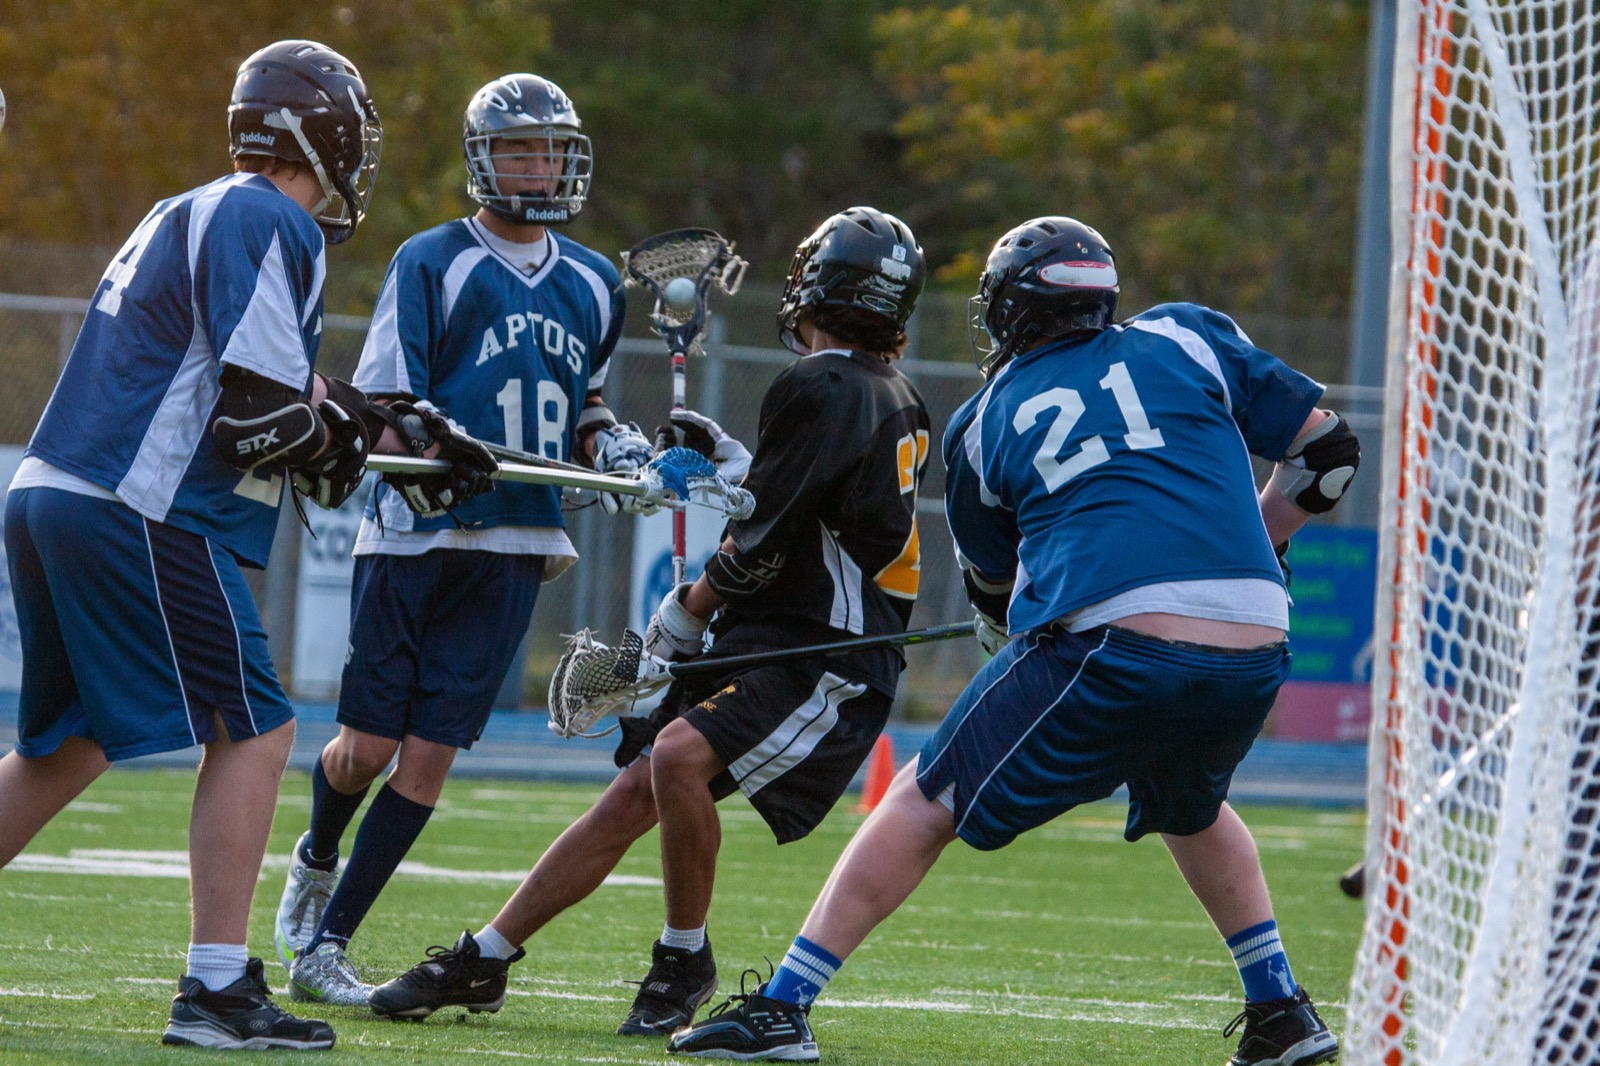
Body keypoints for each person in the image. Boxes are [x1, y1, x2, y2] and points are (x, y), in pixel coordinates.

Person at [666, 216, 1359, 1065]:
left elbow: (996, 597)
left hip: (1117, 646)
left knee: (924, 796)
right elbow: (1329, 454)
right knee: (1190, 801)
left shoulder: (985, 419)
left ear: (1009, 313)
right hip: (1256, 644)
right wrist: (1253, 543)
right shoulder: (1187, 333)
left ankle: (783, 1005)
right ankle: (1281, 1011)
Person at [0, 40, 491, 1051]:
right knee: (258, 729)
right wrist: (347, 449)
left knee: (64, 746)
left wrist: (385, 423)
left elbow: (271, 388)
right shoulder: (274, 217)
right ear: (326, 129)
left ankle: (216, 986)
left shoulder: (191, 208)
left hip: (61, 490)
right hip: (139, 504)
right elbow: (260, 420)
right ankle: (217, 987)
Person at [366, 205, 933, 1037]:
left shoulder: (821, 384)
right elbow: (817, 507)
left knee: (675, 755)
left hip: (825, 653)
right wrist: (738, 463)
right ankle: (486, 955)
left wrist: (677, 622)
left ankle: (683, 957)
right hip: (793, 634)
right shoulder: (888, 390)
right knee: (639, 787)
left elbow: (760, 549)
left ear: (815, 284)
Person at [273, 72, 676, 1007]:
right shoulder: (432, 259)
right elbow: (388, 397)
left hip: (515, 542)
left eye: (550, 149)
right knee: (366, 748)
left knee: (430, 758)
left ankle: (326, 946)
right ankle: (317, 855)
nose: (537, 165)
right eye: (519, 148)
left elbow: (589, 406)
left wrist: (619, 451)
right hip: (417, 530)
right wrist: (430, 443)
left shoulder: (590, 282)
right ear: (483, 158)